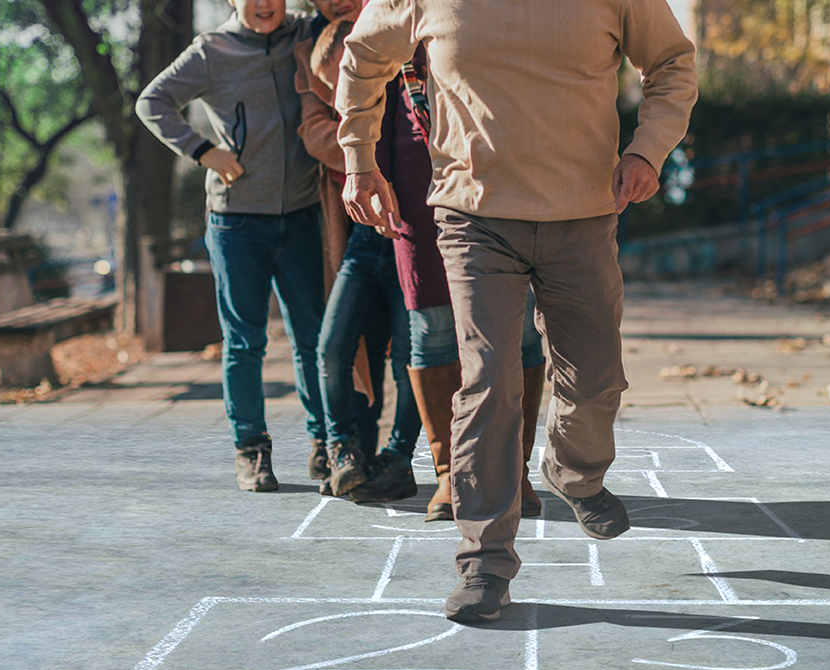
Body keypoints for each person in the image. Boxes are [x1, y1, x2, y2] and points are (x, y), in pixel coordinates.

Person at [338, 0, 697, 622]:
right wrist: (358, 158)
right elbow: (365, 55)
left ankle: (574, 471)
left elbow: (671, 62)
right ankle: (484, 561)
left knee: (596, 381)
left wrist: (647, 150)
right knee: (489, 380)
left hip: (584, 212)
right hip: (473, 216)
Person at [137, 0, 326, 492]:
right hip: (237, 221)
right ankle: (251, 451)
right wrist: (204, 150)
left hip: (304, 214)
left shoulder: (303, 33)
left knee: (313, 339)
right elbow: (150, 102)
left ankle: (325, 443)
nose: (264, 4)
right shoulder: (210, 51)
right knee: (245, 342)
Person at [370, 44, 548, 522]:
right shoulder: (391, 34)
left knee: (519, 330)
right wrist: (373, 176)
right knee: (431, 329)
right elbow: (369, 108)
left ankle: (516, 470)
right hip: (416, 203)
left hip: (499, 198)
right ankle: (451, 473)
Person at [310, 20, 423, 501]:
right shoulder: (345, 120)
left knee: (409, 358)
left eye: (348, 74)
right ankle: (344, 450)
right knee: (332, 347)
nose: (343, 91)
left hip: (409, 237)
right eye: (334, 82)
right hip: (363, 242)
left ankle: (398, 458)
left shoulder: (406, 94)